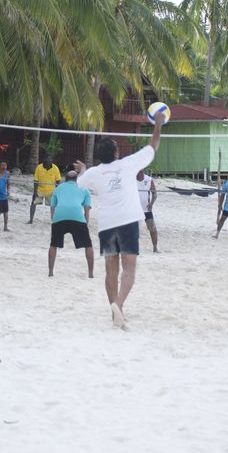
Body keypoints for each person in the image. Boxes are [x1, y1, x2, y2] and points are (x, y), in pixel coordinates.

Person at [75, 113, 165, 329]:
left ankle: (116, 312)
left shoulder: (94, 173)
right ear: (116, 152)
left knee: (111, 271)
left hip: (107, 225)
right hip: (127, 222)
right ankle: (119, 305)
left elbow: (79, 183)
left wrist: (84, 171)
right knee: (130, 270)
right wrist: (159, 124)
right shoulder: (128, 164)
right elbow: (153, 145)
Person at [48, 170, 94, 278]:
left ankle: (50, 272)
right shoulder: (84, 189)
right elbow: (87, 209)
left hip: (59, 217)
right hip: (77, 217)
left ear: (65, 179)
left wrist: (54, 221)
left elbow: (52, 207)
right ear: (76, 179)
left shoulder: (58, 188)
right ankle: (90, 274)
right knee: (88, 245)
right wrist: (85, 224)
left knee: (53, 244)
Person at [29, 153, 61, 224]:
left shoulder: (55, 168)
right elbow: (36, 181)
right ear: (43, 160)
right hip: (40, 190)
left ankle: (54, 221)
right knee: (33, 203)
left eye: (49, 159)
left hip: (51, 190)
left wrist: (57, 192)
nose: (48, 161)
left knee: (53, 206)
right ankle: (31, 220)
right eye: (46, 159)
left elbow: (58, 181)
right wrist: (35, 192)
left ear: (52, 160)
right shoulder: (38, 167)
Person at [136, 169, 159, 252]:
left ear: (143, 172)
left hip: (146, 209)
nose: (139, 174)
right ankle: (134, 248)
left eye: (140, 172)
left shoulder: (148, 179)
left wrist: (151, 204)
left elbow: (155, 193)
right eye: (138, 172)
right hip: (134, 209)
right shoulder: (131, 179)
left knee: (152, 228)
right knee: (133, 230)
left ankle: (155, 248)